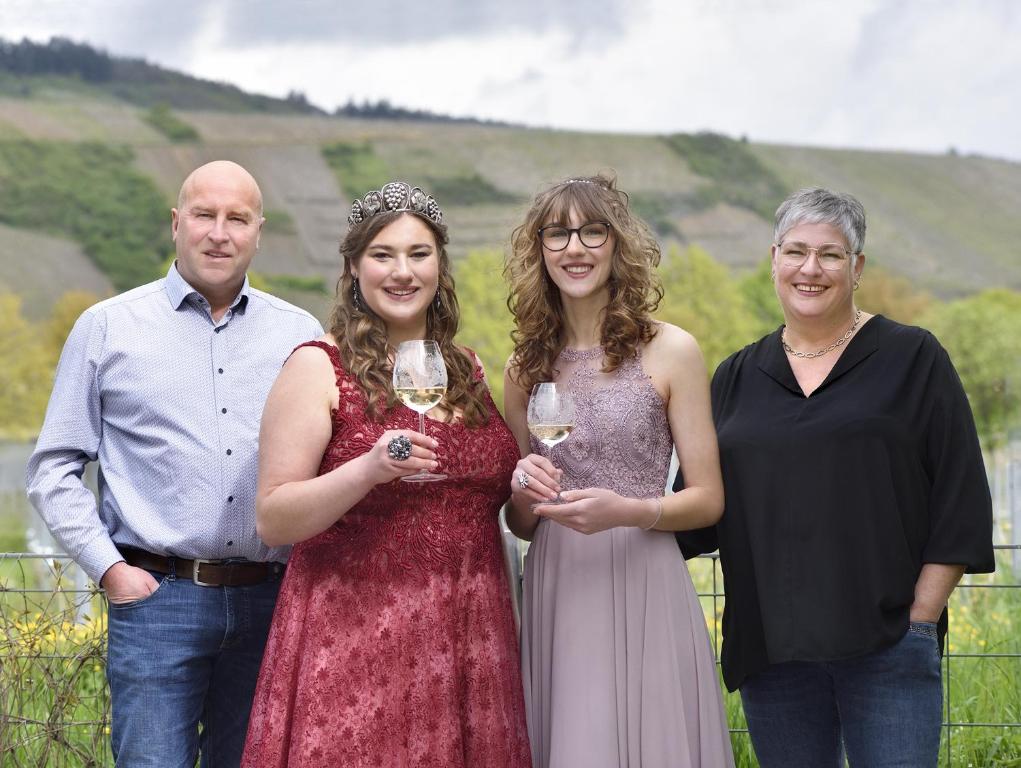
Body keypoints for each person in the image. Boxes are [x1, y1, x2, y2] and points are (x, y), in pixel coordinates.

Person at [677, 187, 995, 767]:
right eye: (796, 251)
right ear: (774, 259)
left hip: (889, 645)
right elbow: (697, 509)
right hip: (772, 654)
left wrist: (920, 619)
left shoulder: (913, 358)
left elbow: (961, 496)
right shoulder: (735, 376)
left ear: (858, 266)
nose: (810, 269)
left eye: (830, 254)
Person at [25, 160, 324, 766]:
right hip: (157, 599)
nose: (219, 232)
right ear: (175, 223)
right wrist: (111, 570)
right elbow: (53, 469)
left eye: (237, 218)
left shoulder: (301, 335)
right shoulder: (107, 328)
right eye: (204, 215)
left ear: (259, 231)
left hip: (273, 603)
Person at [241, 181, 531, 767]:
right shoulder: (316, 366)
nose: (402, 272)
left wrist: (528, 485)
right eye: (382, 255)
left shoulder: (469, 369)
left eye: (418, 254)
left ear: (439, 265)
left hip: (470, 638)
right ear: (353, 267)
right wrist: (367, 470)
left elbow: (501, 507)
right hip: (357, 639)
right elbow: (273, 518)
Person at [504, 175, 735, 768]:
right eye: (557, 234)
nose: (574, 248)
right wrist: (523, 489)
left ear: (617, 243)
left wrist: (629, 511)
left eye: (592, 231)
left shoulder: (672, 350)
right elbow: (522, 521)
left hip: (644, 571)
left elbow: (708, 499)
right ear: (539, 250)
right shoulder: (524, 366)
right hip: (558, 582)